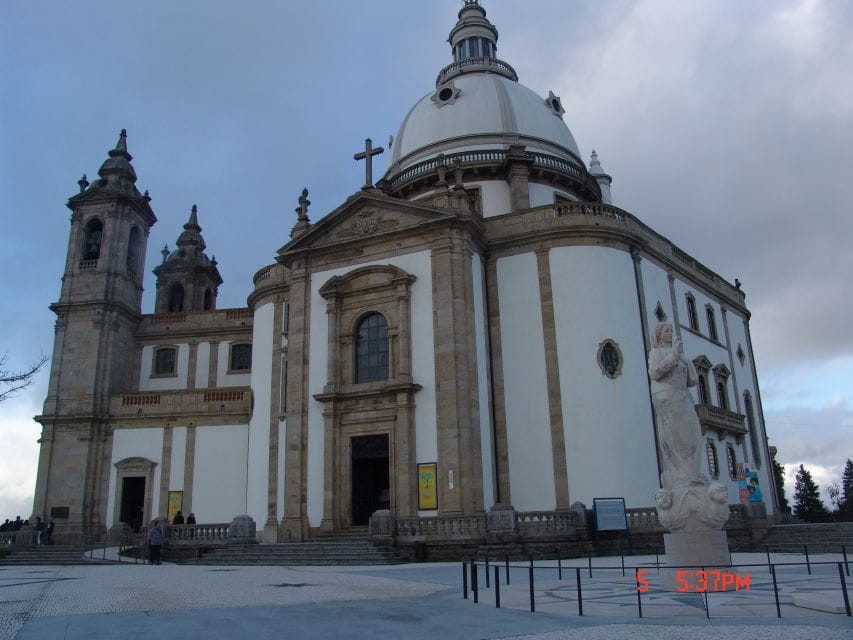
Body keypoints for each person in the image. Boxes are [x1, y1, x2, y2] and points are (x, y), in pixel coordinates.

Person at [648, 322, 704, 489]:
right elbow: (654, 373)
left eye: (671, 330)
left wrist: (686, 361)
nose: (670, 333)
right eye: (667, 331)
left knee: (693, 436)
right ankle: (680, 474)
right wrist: (673, 356)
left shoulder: (681, 356)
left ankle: (692, 473)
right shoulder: (656, 353)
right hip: (667, 399)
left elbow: (693, 380)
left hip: (683, 398)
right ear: (658, 335)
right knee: (674, 436)